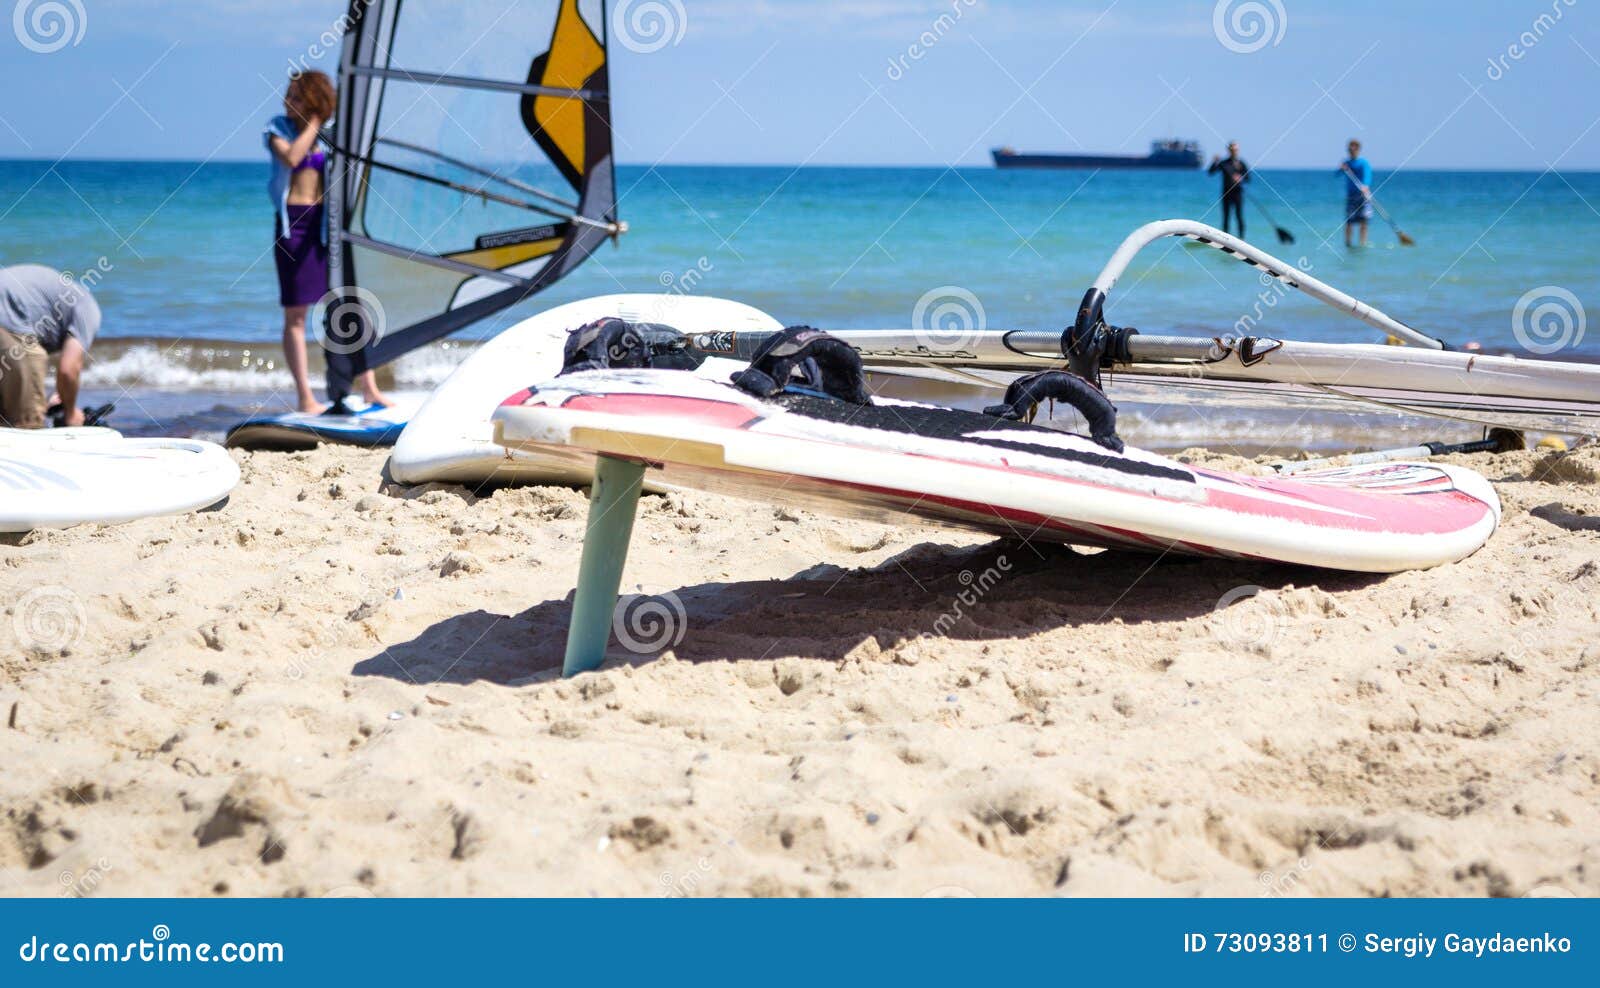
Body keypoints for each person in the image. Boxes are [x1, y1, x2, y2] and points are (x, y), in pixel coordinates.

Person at [267, 69, 387, 413]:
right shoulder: (278, 129)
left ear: (313, 98)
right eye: (288, 95)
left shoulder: (328, 136)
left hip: (325, 226)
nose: (287, 101)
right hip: (293, 225)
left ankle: (369, 387)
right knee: (296, 315)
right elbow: (291, 158)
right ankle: (305, 397)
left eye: (295, 96)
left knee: (349, 302)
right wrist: (314, 121)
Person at [0, 265, 99, 429]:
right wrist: (71, 413)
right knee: (27, 424)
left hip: (9, 310)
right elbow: (68, 370)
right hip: (8, 314)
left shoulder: (59, 294)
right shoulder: (88, 308)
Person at [1207, 142, 1250, 238]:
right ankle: (1226, 240)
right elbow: (1210, 172)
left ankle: (1241, 239)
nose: (1234, 151)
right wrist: (1214, 162)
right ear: (1229, 150)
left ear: (1238, 151)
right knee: (1226, 217)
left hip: (1238, 193)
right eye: (1232, 150)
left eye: (1235, 150)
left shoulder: (1241, 163)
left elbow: (1248, 178)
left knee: (1239, 216)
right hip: (1226, 193)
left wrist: (1241, 178)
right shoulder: (1223, 163)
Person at [1340, 139, 1374, 248]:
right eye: (1350, 149)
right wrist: (1342, 169)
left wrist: (1365, 186)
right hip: (1351, 196)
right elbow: (1337, 173)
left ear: (1358, 150)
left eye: (1354, 149)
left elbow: (1367, 175)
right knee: (1349, 221)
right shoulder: (1347, 163)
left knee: (1364, 220)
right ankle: (1348, 243)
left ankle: (1362, 244)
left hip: (1363, 195)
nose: (1351, 151)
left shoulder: (1363, 162)